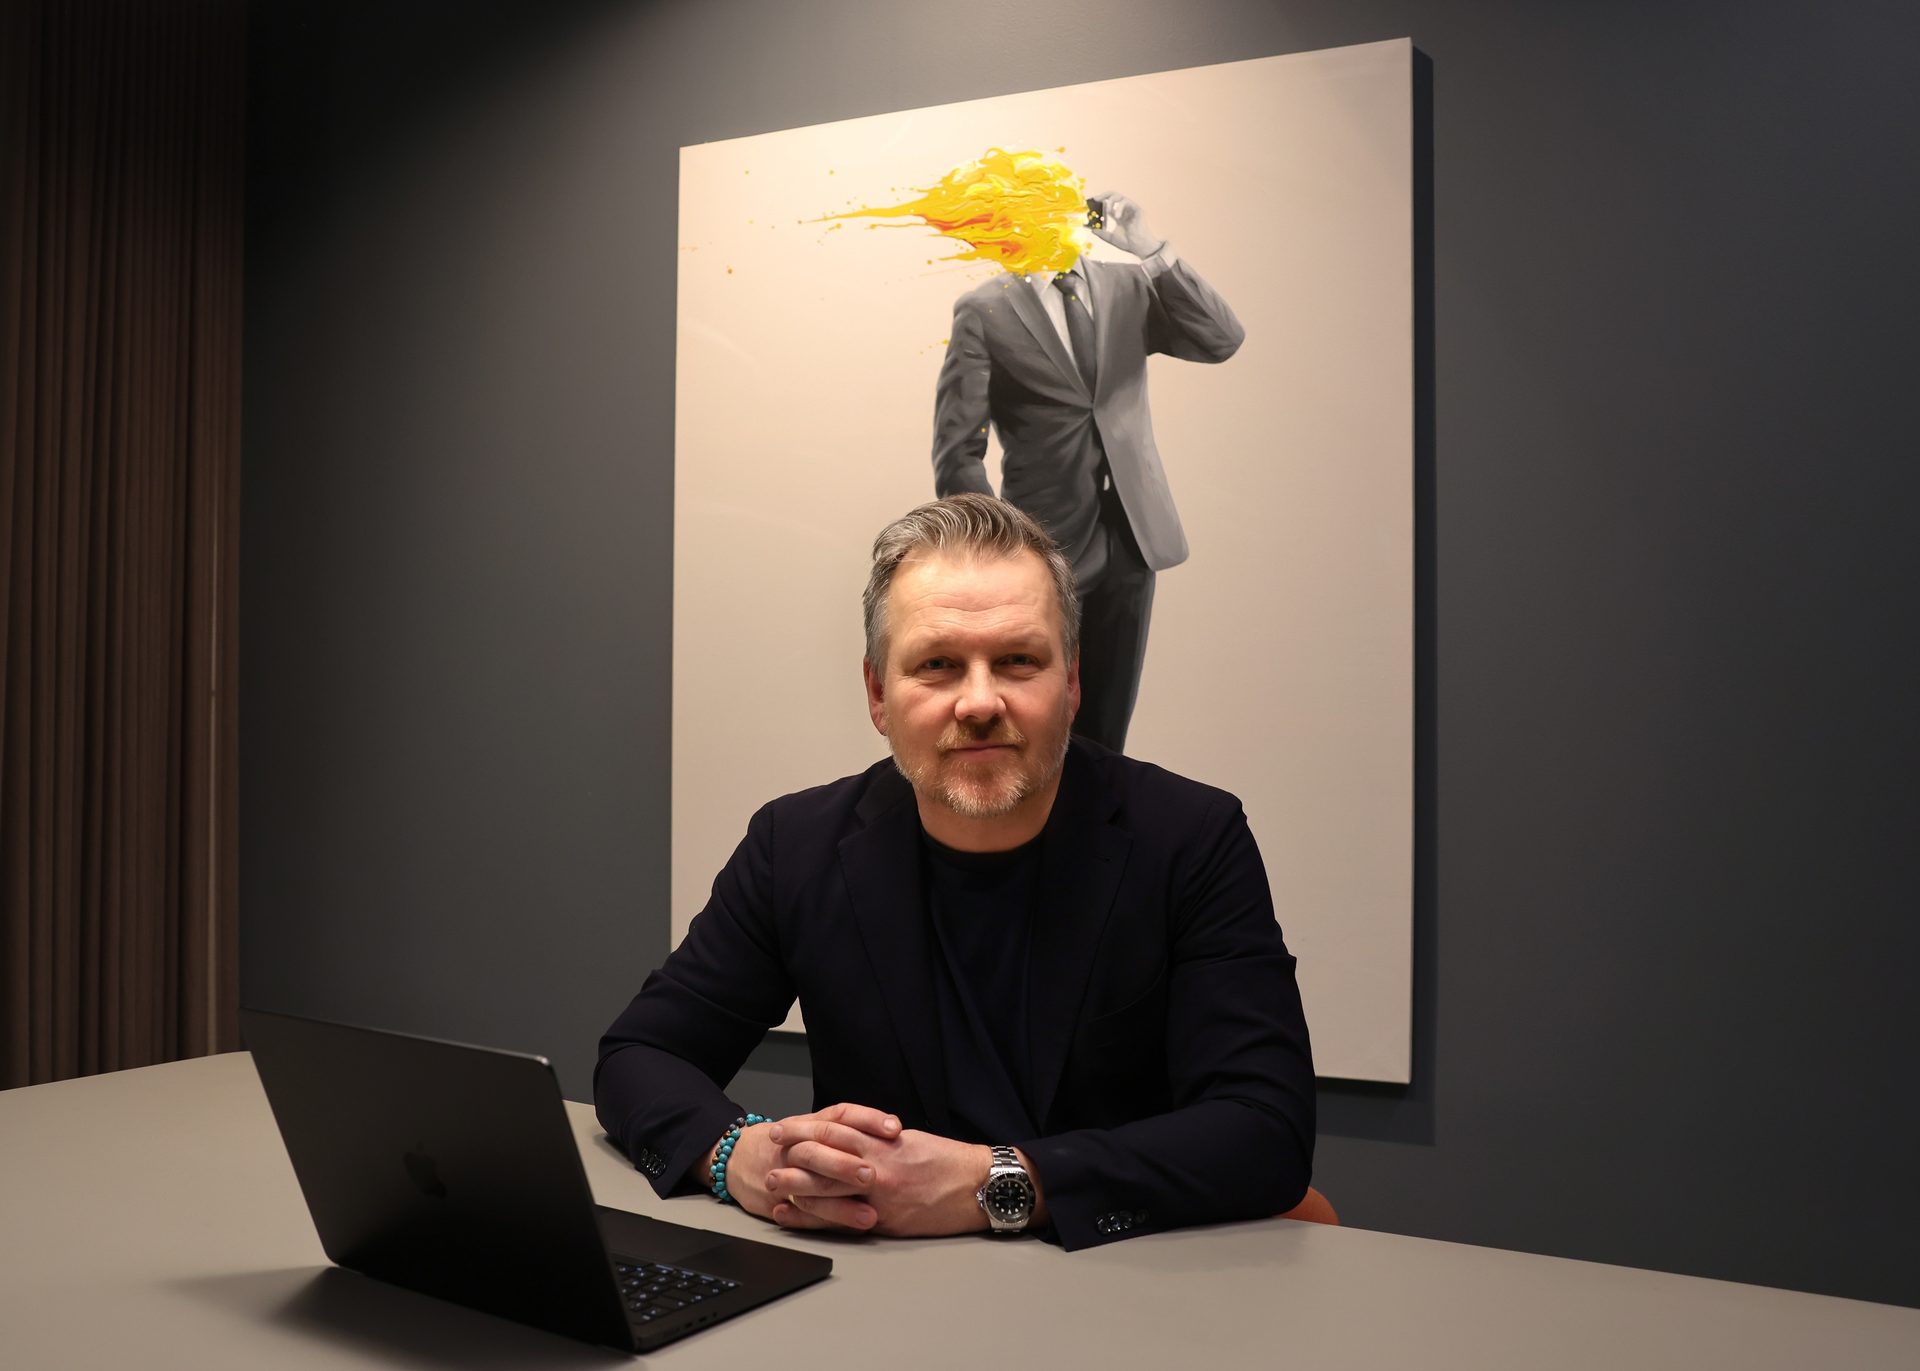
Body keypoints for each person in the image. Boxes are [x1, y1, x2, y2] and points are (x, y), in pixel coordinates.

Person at [595, 494, 1313, 1250]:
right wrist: (737, 1154)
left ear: (1071, 685)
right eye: (937, 665)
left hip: (1126, 1289)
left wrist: (996, 1181)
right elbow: (640, 1055)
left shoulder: (1192, 839)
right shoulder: (795, 844)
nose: (978, 702)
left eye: (1017, 661)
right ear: (879, 693)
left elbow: (1265, 1130)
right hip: (876, 1296)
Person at [931, 192, 1245, 754]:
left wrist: (1147, 248)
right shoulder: (984, 309)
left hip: (1134, 539)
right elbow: (958, 450)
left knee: (1108, 728)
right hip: (1044, 548)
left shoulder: (1126, 286)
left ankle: (1097, 838)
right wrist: (997, 551)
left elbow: (1220, 339)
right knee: (1042, 728)